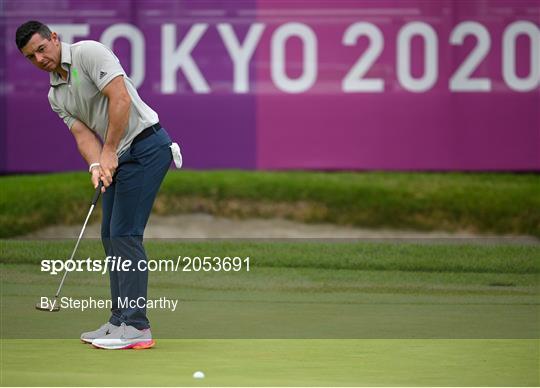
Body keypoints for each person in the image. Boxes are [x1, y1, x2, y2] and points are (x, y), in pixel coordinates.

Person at [16, 20, 174, 350]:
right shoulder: (55, 94)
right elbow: (82, 134)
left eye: (42, 49)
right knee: (109, 236)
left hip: (146, 146)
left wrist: (109, 151)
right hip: (118, 153)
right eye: (32, 57)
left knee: (125, 234)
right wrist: (95, 163)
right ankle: (119, 320)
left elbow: (120, 99)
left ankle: (137, 326)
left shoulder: (89, 53)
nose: (40, 59)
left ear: (54, 39)